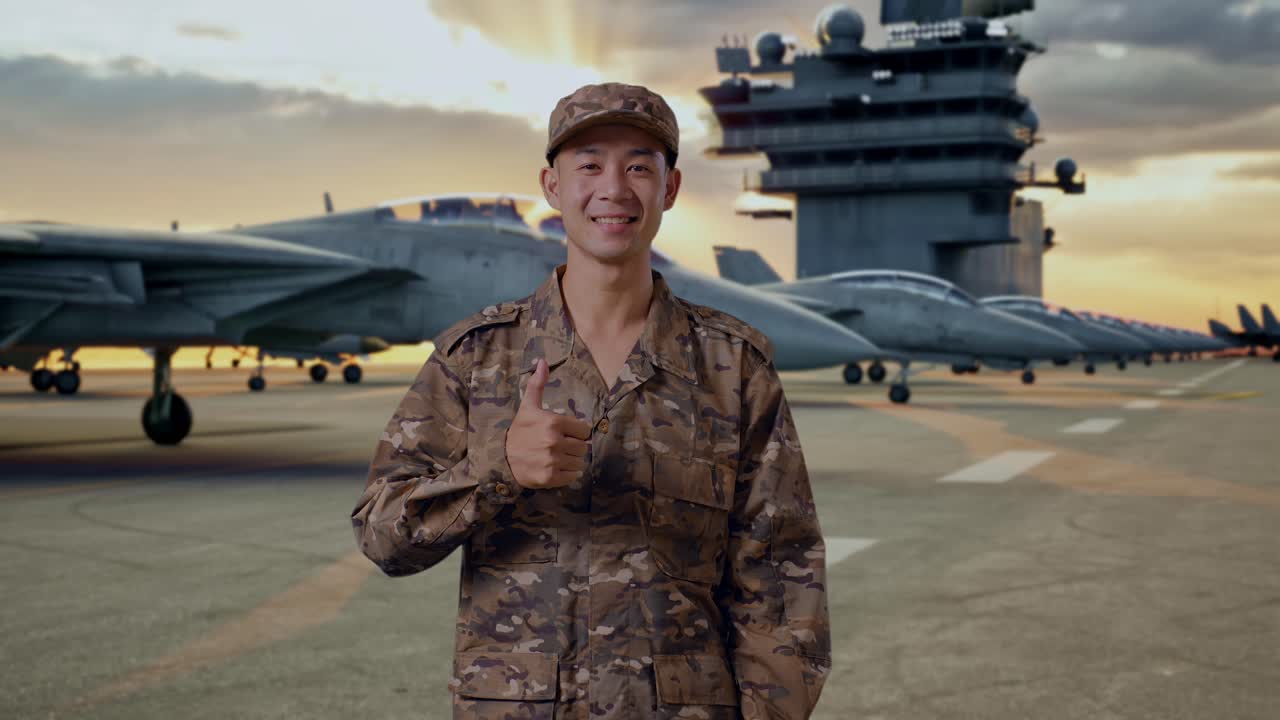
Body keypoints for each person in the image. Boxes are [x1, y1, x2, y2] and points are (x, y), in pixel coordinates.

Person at [351, 82, 830, 719]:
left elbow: (781, 580)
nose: (614, 188)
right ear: (552, 187)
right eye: (589, 164)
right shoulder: (476, 358)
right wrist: (499, 470)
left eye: (639, 166)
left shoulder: (732, 368)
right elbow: (383, 536)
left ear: (671, 189)